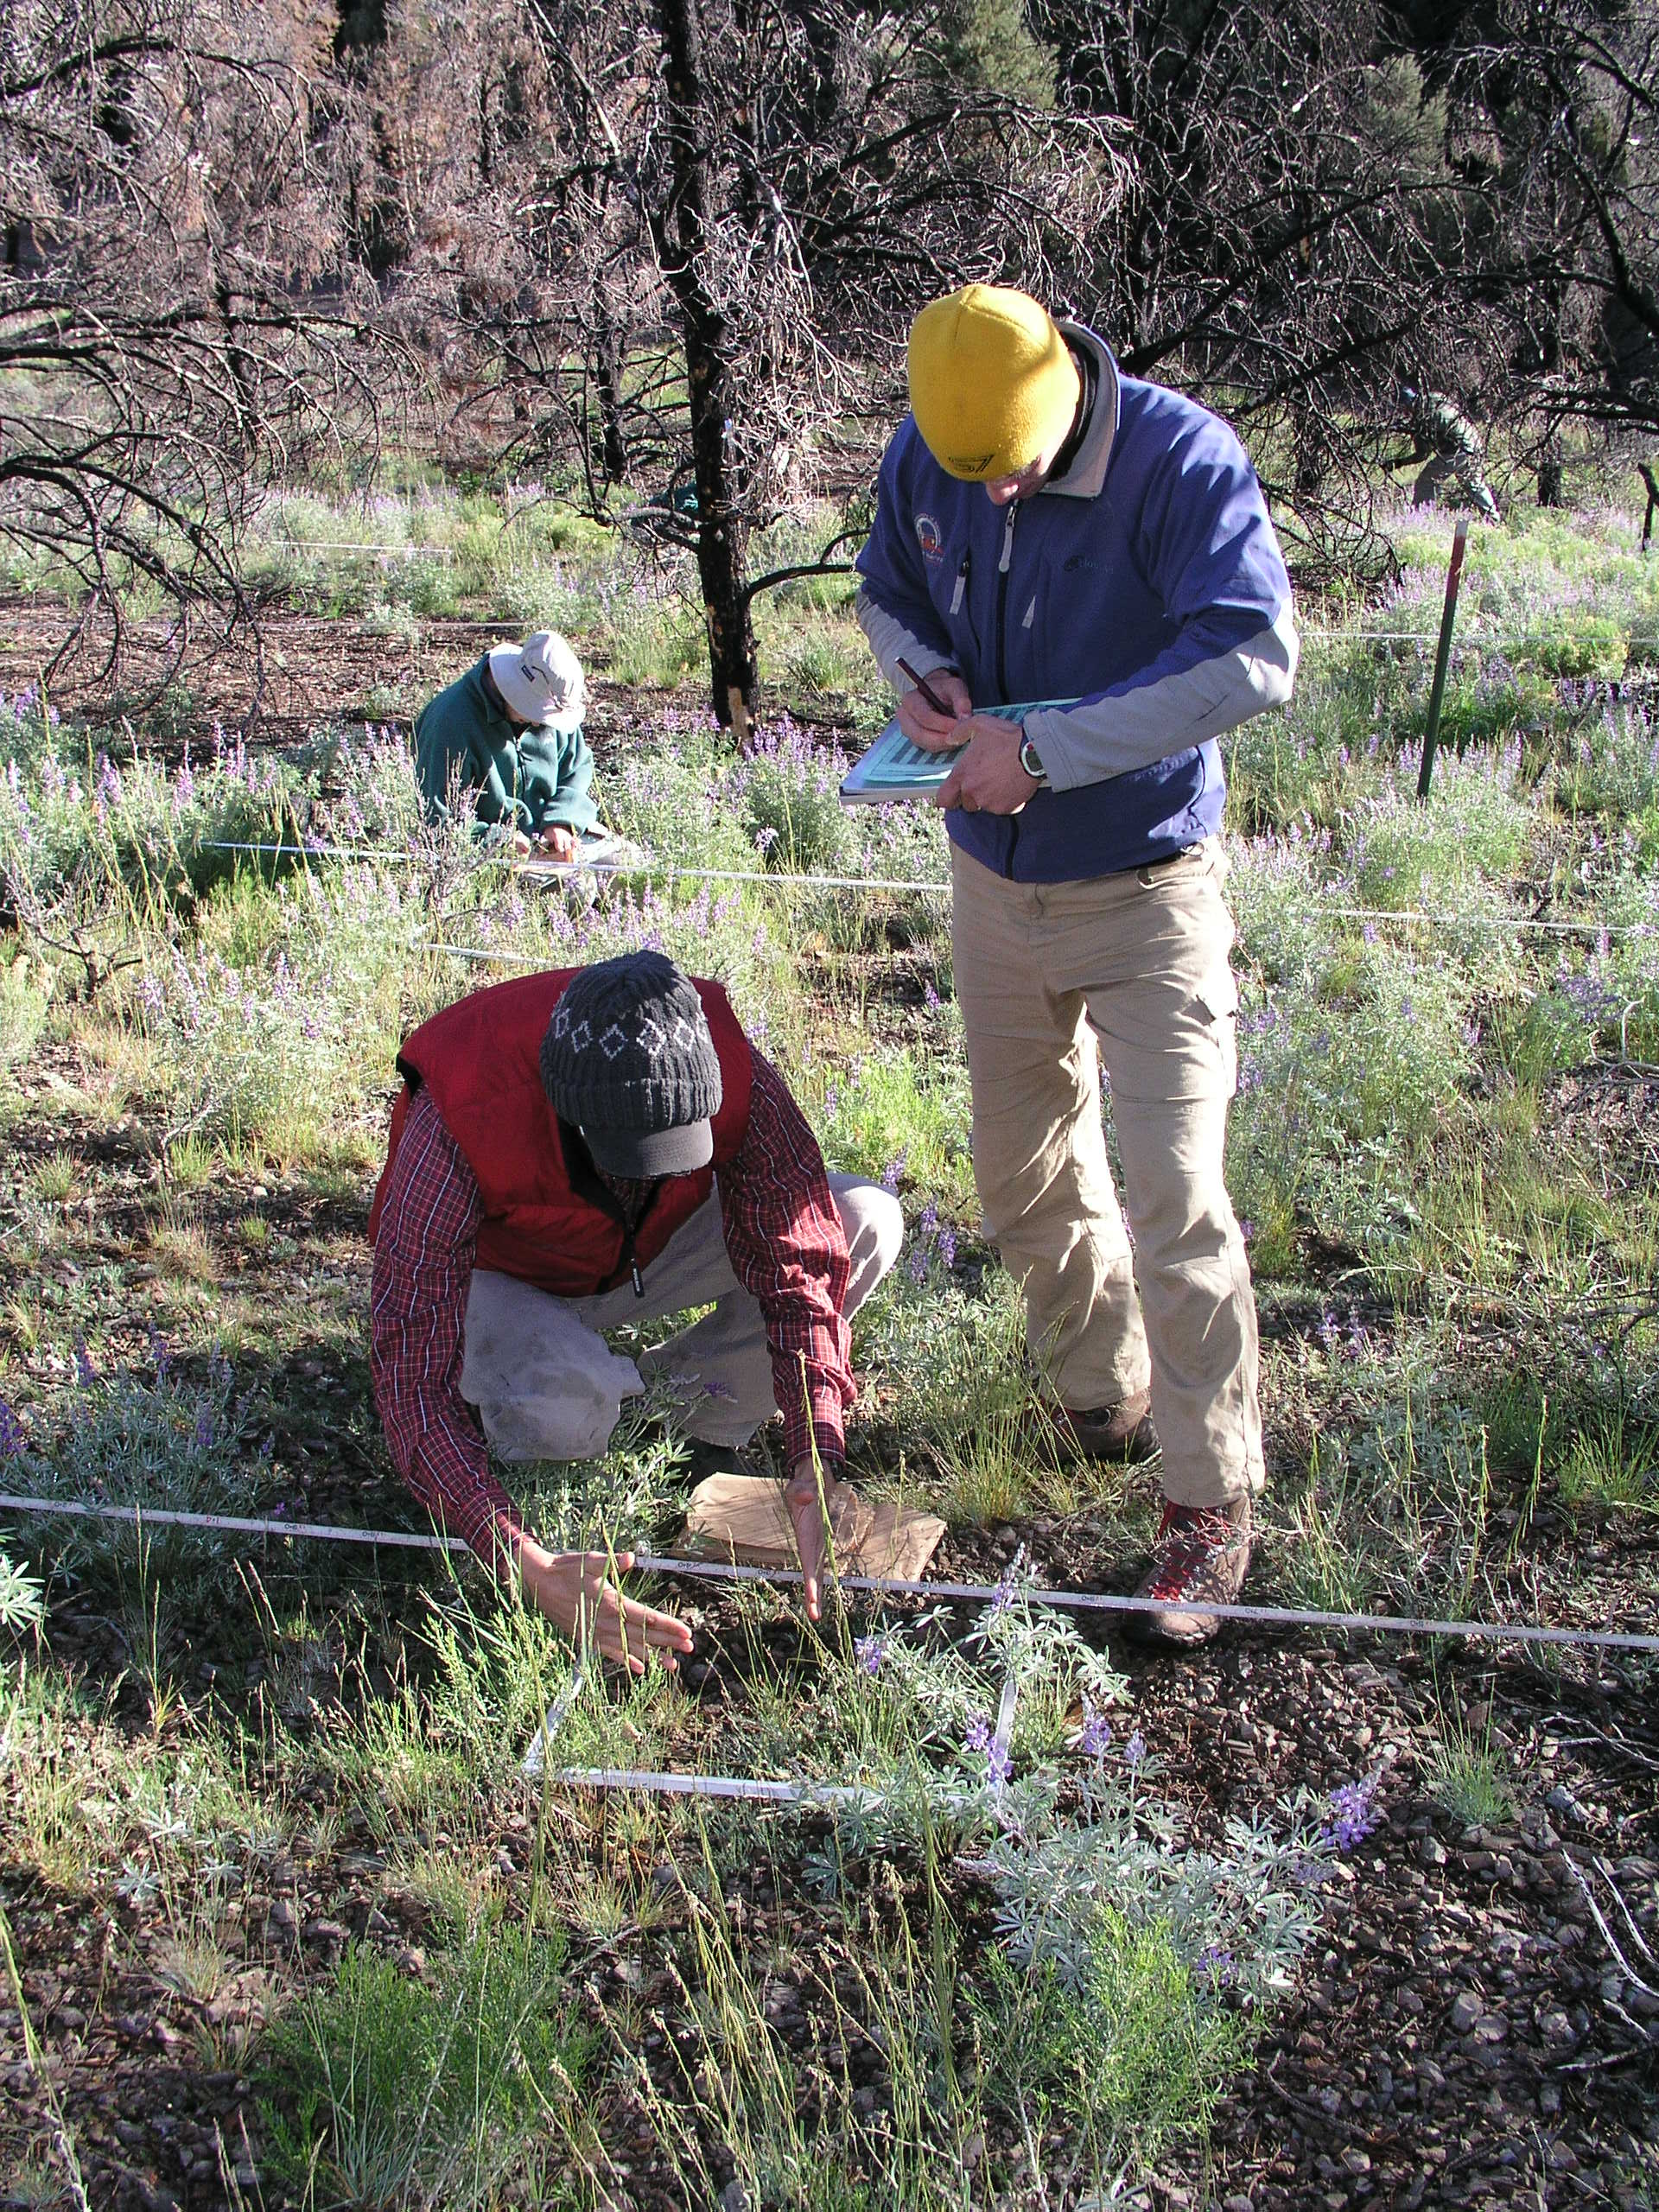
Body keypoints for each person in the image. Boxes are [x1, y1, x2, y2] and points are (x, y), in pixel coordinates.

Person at [854, 282, 1299, 1644]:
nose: (987, 495)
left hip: (1145, 883)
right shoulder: (934, 445)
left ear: (1062, 393)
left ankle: (1208, 1500)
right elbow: (888, 592)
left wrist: (1043, 752)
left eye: (1011, 469)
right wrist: (920, 679)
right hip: (992, 885)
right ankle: (1098, 1392)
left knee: (1174, 1191)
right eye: (965, 474)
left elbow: (1254, 657)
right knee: (1022, 1166)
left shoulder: (1181, 461)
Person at [368, 950, 903, 1670]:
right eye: (632, 1153)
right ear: (560, 1106)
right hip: (506, 1277)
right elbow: (412, 1383)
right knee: (568, 1411)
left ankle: (690, 1420)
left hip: (647, 1251)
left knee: (862, 1217)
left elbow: (797, 1257)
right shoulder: (465, 1109)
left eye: (679, 1149)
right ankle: (590, 1394)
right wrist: (525, 1561)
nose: (661, 1169)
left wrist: (815, 1449)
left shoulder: (717, 1056)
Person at [414, 630, 600, 859]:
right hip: (492, 858)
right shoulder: (449, 723)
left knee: (630, 866)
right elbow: (438, 819)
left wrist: (562, 820)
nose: (537, 722)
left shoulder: (550, 691)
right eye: (537, 712)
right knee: (580, 888)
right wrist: (496, 840)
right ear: (511, 688)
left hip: (551, 838)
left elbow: (578, 765)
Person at [1403, 389, 1500, 523]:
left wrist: (1397, 463)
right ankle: (1494, 520)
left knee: (1427, 480)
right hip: (1474, 441)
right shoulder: (1436, 397)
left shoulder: (1422, 416)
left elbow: (1422, 454)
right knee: (1473, 483)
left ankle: (1420, 518)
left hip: (1458, 449)